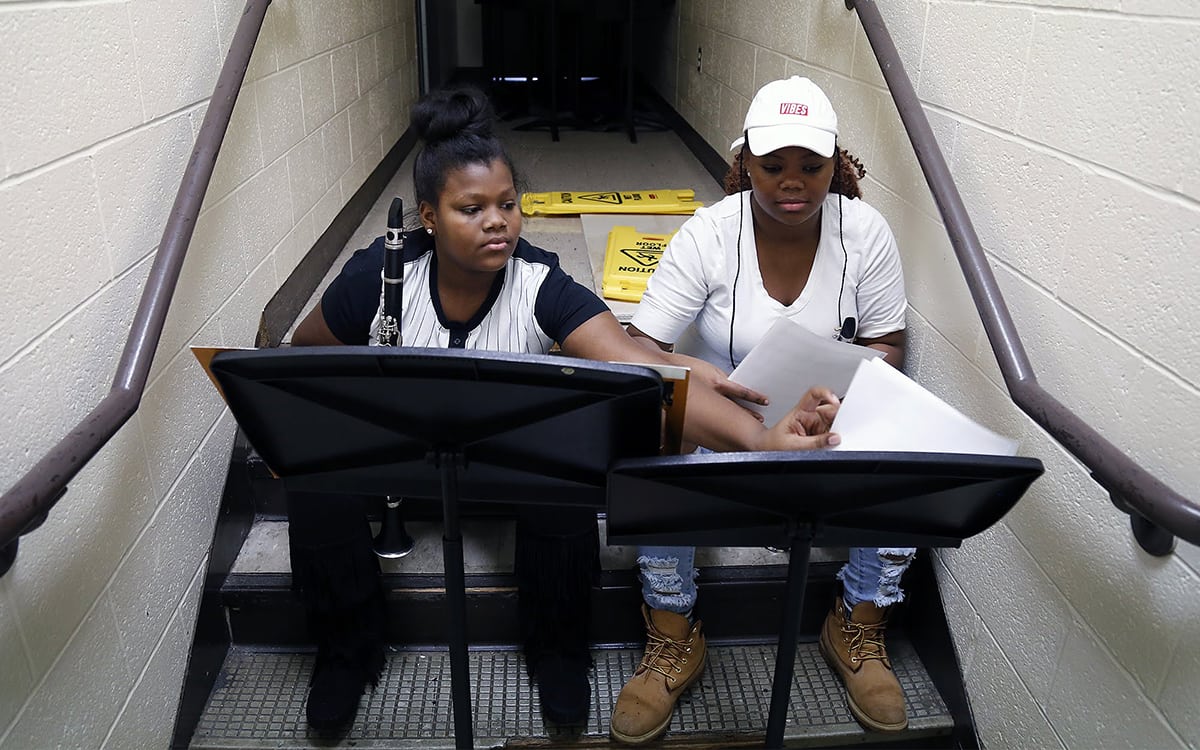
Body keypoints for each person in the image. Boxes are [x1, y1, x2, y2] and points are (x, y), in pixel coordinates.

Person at [286, 84, 845, 734]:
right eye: (472, 208)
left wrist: (761, 440)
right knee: (312, 480)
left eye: (507, 204)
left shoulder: (542, 281)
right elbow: (307, 363)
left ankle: (557, 649)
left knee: (568, 471)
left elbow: (640, 369)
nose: (498, 221)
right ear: (430, 217)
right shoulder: (372, 280)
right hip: (404, 456)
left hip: (509, 460)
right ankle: (346, 651)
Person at [609, 75, 915, 744]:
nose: (792, 184)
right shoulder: (710, 233)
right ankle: (672, 633)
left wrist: (844, 393)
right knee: (657, 422)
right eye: (772, 167)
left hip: (822, 421)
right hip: (728, 415)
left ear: (838, 164)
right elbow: (639, 347)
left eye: (812, 167)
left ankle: (859, 622)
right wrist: (706, 378)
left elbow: (887, 344)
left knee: (905, 433)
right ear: (743, 161)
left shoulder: (864, 231)